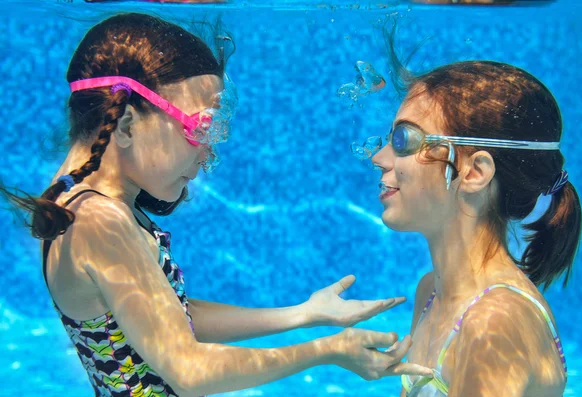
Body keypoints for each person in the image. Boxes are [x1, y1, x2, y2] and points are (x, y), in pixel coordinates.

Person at [1, 13, 432, 397]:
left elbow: (168, 315)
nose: (207, 154)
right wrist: (326, 351)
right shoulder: (99, 220)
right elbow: (189, 369)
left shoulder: (78, 201)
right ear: (128, 123)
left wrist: (303, 314)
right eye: (199, 128)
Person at [354, 26, 582, 397]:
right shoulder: (432, 292)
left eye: (404, 139)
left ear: (474, 172)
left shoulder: (494, 323)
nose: (379, 158)